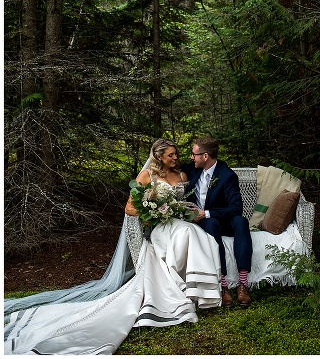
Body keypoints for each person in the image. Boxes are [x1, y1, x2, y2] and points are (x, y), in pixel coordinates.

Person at [4, 138, 221, 354]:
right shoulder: (147, 176)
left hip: (177, 223)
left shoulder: (182, 175)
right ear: (158, 157)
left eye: (176, 154)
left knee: (194, 233)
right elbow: (129, 208)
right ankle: (193, 290)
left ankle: (199, 290)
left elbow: (185, 201)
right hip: (160, 228)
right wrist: (154, 209)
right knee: (188, 232)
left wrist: (178, 210)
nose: (175, 158)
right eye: (170, 155)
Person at [183, 136, 253, 308]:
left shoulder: (227, 175)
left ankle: (242, 283)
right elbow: (167, 163)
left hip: (222, 219)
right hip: (208, 224)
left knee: (241, 221)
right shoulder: (193, 169)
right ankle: (223, 285)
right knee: (212, 223)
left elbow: (236, 208)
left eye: (194, 154)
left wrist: (205, 213)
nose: (192, 157)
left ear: (205, 156)